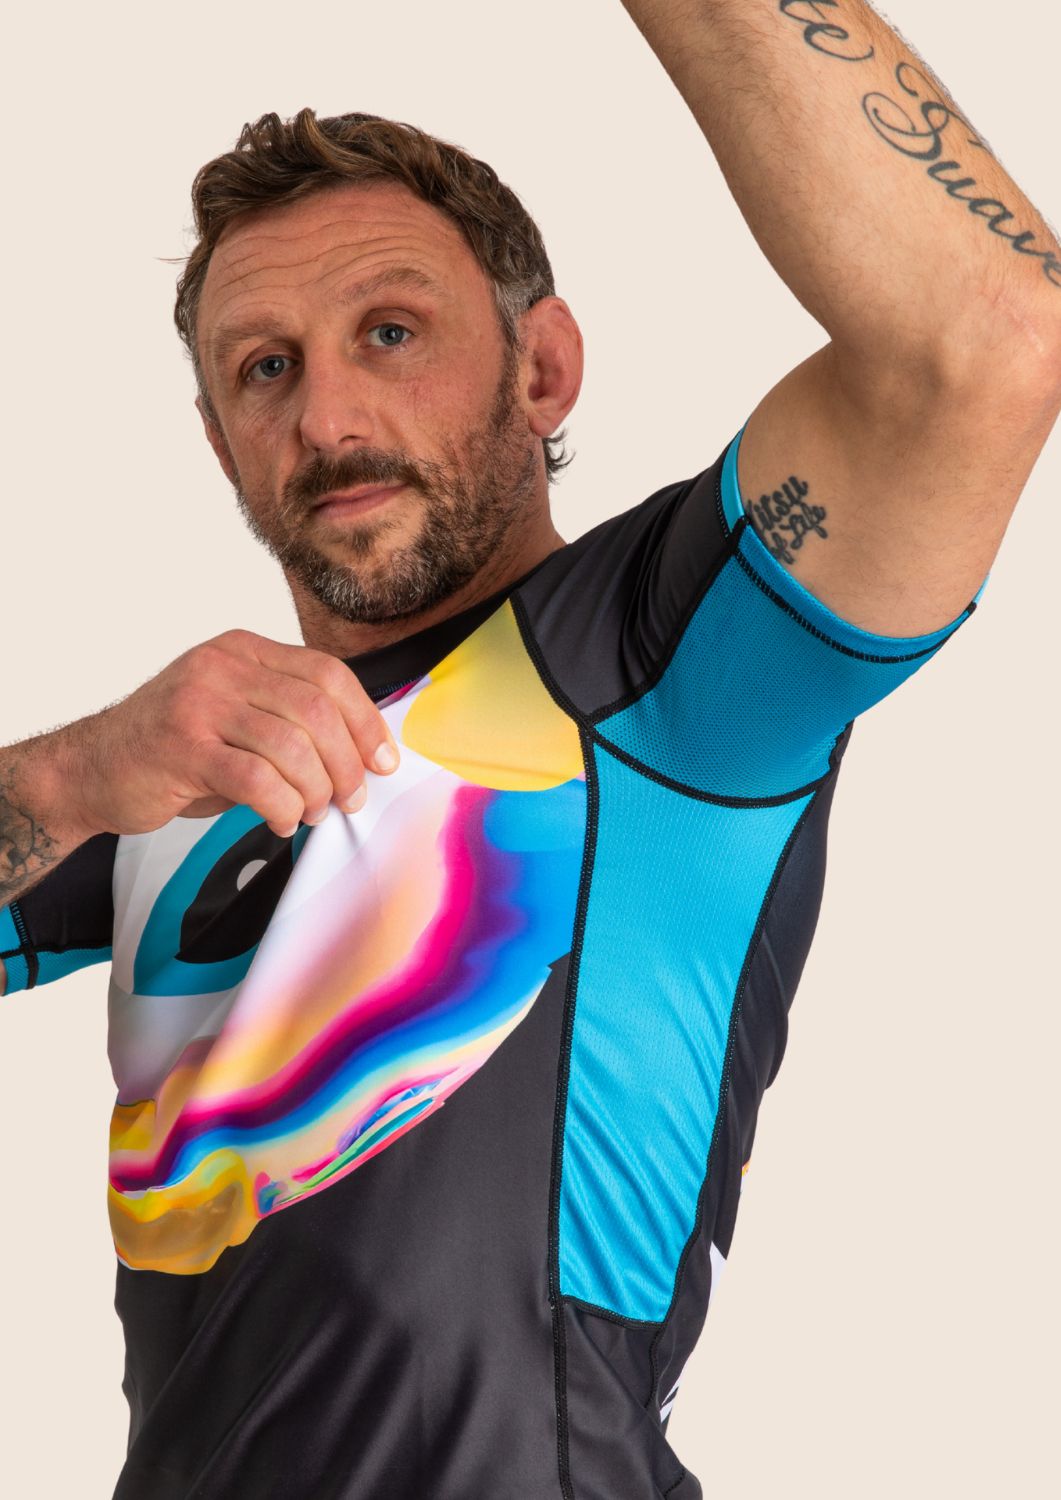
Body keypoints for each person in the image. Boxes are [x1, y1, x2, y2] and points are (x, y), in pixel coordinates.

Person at [1, 3, 1058, 1496]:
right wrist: (65, 776)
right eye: (264, 368)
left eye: (390, 332)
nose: (328, 413)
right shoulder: (174, 776)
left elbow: (985, 340)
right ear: (218, 438)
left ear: (543, 368)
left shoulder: (653, 662)